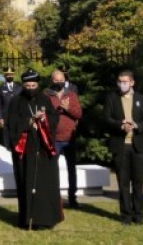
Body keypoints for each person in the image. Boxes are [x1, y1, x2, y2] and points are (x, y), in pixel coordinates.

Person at [7, 69, 62, 230]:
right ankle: (27, 219)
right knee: (27, 182)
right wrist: (29, 121)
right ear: (23, 85)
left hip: (44, 149)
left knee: (45, 184)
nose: (31, 88)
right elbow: (12, 124)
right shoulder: (16, 101)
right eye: (28, 86)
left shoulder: (45, 99)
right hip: (26, 150)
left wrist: (44, 119)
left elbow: (54, 118)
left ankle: (46, 219)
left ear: (38, 85)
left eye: (34, 85)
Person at [103, 69, 143, 226]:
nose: (122, 84)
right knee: (123, 183)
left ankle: (139, 216)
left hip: (138, 147)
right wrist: (120, 125)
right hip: (121, 147)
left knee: (138, 182)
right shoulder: (112, 98)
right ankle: (126, 216)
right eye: (119, 81)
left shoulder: (141, 99)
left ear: (132, 82)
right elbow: (106, 119)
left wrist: (137, 126)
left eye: (125, 82)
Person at [47, 68, 83, 209]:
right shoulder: (46, 95)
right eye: (56, 80)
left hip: (69, 138)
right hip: (54, 138)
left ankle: (72, 198)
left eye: (61, 80)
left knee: (71, 169)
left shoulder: (71, 95)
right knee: (52, 170)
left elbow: (79, 114)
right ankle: (54, 198)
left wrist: (67, 108)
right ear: (52, 81)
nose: (59, 82)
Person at [0, 69, 21, 149]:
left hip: (17, 117)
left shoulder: (19, 88)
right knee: (6, 139)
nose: (9, 76)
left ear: (14, 75)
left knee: (16, 138)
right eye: (7, 75)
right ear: (4, 76)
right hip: (5, 118)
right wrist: (0, 118)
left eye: (11, 75)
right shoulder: (0, 88)